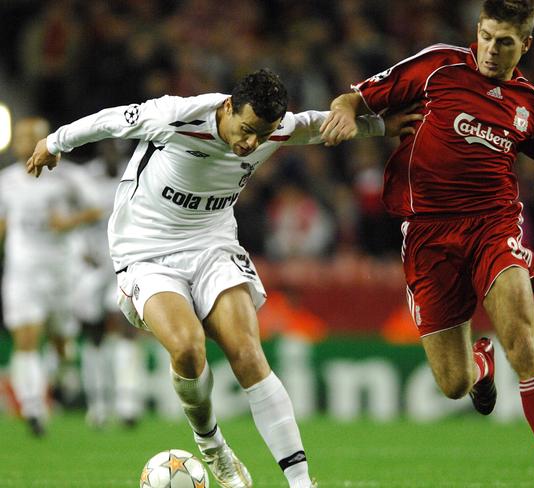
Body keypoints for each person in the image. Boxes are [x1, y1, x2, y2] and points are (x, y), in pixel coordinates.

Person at [26, 69, 419, 488]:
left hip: (213, 246)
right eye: (247, 129)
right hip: (145, 254)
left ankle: (302, 482)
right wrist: (54, 143)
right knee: (188, 349)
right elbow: (109, 119)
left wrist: (381, 125)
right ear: (228, 107)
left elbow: (317, 126)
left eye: (262, 135)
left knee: (248, 353)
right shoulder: (175, 116)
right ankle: (212, 445)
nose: (251, 143)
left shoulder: (275, 129)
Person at [319, 1, 534, 487]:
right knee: (453, 385)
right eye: (488, 36)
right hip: (427, 234)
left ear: (526, 45)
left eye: (506, 42)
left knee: (523, 339)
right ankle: (479, 362)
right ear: (478, 30)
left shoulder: (532, 106)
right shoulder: (437, 67)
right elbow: (356, 97)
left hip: (492, 226)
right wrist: (345, 114)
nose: (493, 50)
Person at [0, 116, 102, 436]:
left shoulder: (69, 177)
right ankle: (32, 408)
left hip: (62, 270)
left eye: (32, 138)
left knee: (61, 341)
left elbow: (97, 209)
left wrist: (69, 222)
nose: (24, 144)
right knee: (26, 337)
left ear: (45, 140)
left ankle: (62, 373)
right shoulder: (6, 181)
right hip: (23, 269)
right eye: (20, 138)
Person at [71, 140, 146, 429]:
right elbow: (72, 215)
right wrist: (78, 250)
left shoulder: (138, 173)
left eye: (115, 149)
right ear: (100, 152)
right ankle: (98, 405)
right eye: (106, 149)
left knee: (128, 330)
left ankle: (128, 404)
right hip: (92, 265)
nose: (111, 154)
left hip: (126, 264)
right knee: (94, 335)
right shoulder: (85, 178)